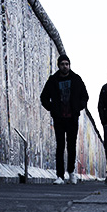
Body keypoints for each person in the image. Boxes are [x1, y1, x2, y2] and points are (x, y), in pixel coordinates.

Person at [41, 54, 89, 185]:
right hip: (59, 118)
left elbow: (85, 96)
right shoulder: (53, 80)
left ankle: (71, 172)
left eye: (66, 64)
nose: (65, 66)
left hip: (72, 118)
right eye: (62, 64)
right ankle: (60, 176)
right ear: (58, 65)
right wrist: (52, 109)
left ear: (69, 65)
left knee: (71, 146)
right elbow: (43, 97)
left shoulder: (76, 79)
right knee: (60, 146)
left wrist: (78, 108)